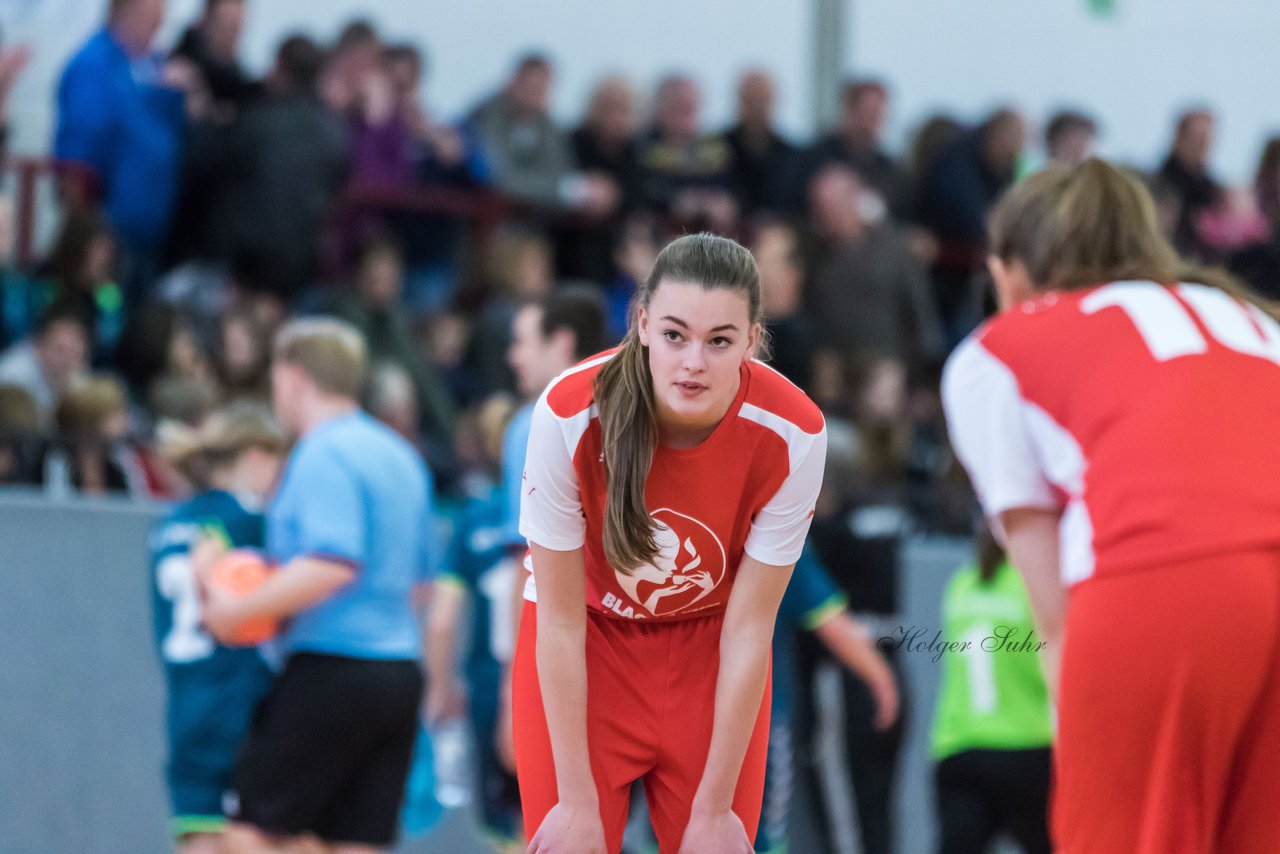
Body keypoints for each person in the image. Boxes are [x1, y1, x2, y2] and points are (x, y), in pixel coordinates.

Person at [941, 158, 1280, 853]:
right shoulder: (1251, 315)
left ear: (1009, 273)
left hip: (1172, 580)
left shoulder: (998, 349)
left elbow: (1053, 612)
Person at [513, 233, 828, 853]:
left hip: (710, 653)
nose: (693, 363)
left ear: (752, 340)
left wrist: (713, 809)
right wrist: (575, 801)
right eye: (676, 335)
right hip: (587, 642)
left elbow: (749, 628)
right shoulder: (570, 411)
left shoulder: (795, 432)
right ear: (642, 323)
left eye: (720, 341)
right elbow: (558, 618)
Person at [198, 317, 437, 854]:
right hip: (398, 672)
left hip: (329, 667)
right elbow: (422, 584)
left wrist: (237, 611)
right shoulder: (402, 457)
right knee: (353, 839)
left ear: (294, 377)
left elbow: (333, 562)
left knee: (249, 832)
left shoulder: (322, 453)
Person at [150, 405, 284, 854]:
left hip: (186, 701)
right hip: (239, 698)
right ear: (255, 457)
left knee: (198, 838)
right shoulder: (248, 521)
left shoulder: (170, 525)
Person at [756, 545, 899, 854]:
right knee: (757, 835)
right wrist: (883, 679)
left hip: (678, 717)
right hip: (755, 728)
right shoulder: (775, 535)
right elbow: (835, 626)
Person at [54, 0, 196, 302]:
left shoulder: (149, 65)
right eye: (151, 18)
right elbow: (76, 158)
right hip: (109, 235)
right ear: (124, 13)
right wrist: (86, 232)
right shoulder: (94, 65)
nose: (158, 27)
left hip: (148, 236)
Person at [929, 524, 1053, 854]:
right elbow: (1051, 668)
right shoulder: (1033, 585)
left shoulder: (962, 584)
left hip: (959, 745)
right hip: (1026, 743)